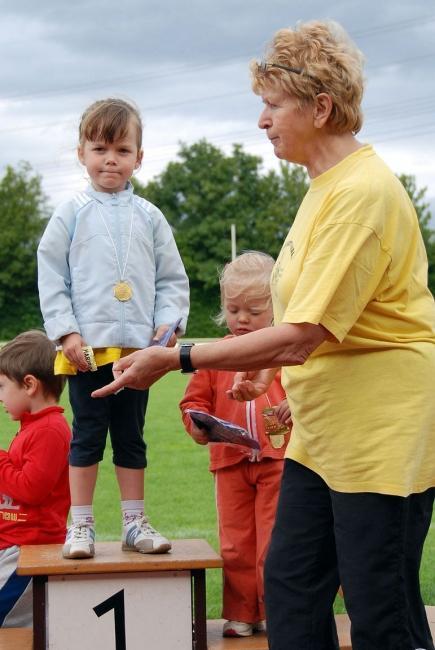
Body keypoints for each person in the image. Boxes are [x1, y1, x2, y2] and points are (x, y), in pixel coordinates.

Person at [91, 20, 435, 650]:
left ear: (321, 107)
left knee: (381, 609)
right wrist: (259, 368)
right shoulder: (321, 189)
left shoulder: (361, 194)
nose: (262, 121)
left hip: (378, 437)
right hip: (321, 435)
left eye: (272, 105)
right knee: (292, 586)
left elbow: (302, 334)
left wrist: (178, 356)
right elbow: (302, 320)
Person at [37, 97, 189, 560]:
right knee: (86, 434)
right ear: (81, 153)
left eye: (122, 150)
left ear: (138, 158)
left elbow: (170, 278)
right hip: (87, 350)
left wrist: (167, 323)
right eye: (100, 148)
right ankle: (79, 525)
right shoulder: (71, 212)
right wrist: (67, 333)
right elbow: (51, 274)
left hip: (136, 354)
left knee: (131, 436)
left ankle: (133, 523)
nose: (110, 159)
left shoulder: (151, 216)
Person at [180, 252, 291, 638]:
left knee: (274, 544)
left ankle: (280, 612)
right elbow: (193, 403)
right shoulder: (216, 356)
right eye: (233, 309)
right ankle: (243, 612)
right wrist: (197, 424)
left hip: (278, 462)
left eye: (254, 310)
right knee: (235, 544)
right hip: (228, 463)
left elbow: (306, 394)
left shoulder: (287, 351)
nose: (241, 319)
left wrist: (293, 407)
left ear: (277, 307)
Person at [0, 330, 70, 627]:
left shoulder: (50, 429)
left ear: (29, 384)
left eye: (2, 387)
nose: (0, 397)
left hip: (29, 552)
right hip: (14, 547)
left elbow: (31, 489)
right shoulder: (34, 426)